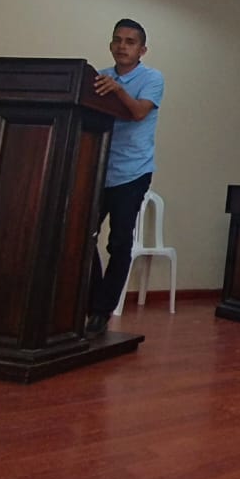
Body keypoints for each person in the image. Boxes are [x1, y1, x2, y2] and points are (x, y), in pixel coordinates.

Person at [85, 18, 164, 335]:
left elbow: (139, 112)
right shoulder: (99, 77)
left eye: (130, 42)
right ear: (110, 45)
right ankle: (90, 301)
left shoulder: (152, 78)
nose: (122, 46)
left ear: (142, 50)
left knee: (118, 242)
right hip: (97, 169)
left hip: (132, 172)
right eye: (117, 40)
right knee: (80, 235)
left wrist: (118, 90)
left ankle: (101, 311)